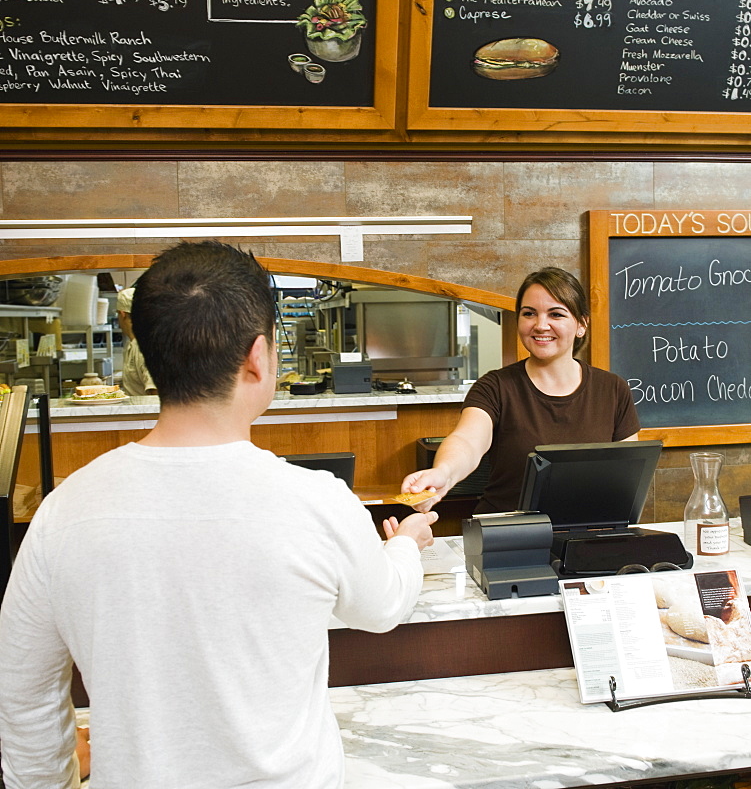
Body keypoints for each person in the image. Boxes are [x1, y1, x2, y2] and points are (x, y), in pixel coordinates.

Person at [0, 241, 437, 789]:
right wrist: (406, 544)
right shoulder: (317, 501)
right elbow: (382, 605)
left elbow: (23, 696)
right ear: (259, 357)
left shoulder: (64, 510)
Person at [401, 266, 640, 514]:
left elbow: (628, 474)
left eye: (556, 314)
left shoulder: (613, 389)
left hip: (587, 534)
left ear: (581, 324)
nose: (540, 325)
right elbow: (467, 441)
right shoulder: (495, 387)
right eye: (529, 314)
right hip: (509, 534)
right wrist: (444, 473)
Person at [116, 286, 157, 396]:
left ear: (122, 314)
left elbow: (155, 392)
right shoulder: (134, 343)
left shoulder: (144, 346)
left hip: (148, 412)